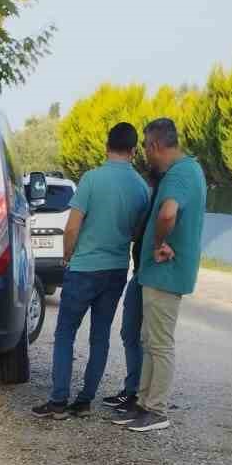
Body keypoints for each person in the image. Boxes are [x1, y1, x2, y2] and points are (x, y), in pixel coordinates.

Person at [32, 122, 149, 420]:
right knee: (100, 336)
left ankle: (58, 402)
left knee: (65, 334)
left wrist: (66, 256)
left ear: (106, 146)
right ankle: (84, 402)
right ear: (134, 151)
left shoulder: (92, 179)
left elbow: (71, 227)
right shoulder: (140, 187)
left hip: (84, 268)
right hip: (116, 270)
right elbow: (137, 231)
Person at [106, 117, 206, 434]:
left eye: (147, 150)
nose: (146, 157)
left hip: (166, 272)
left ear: (155, 146)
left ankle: (156, 409)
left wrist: (161, 242)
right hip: (157, 273)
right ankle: (144, 403)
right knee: (150, 340)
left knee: (159, 343)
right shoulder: (185, 171)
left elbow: (167, 212)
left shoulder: (180, 174)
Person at [100, 168, 159, 414]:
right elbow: (137, 233)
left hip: (150, 275)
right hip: (138, 273)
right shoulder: (150, 200)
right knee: (129, 332)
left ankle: (141, 394)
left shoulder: (160, 201)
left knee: (145, 337)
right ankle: (132, 389)